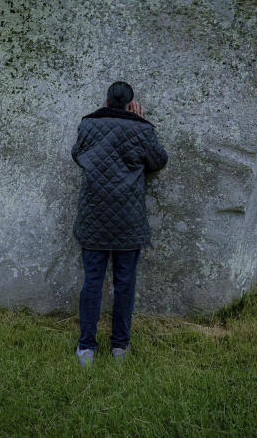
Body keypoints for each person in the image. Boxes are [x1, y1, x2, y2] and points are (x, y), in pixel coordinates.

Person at [71, 81, 168, 367]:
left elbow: (77, 155)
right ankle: (119, 347)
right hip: (128, 219)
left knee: (92, 282)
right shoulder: (141, 128)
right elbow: (159, 160)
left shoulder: (88, 125)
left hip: (93, 216)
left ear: (105, 100)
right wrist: (140, 121)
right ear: (130, 104)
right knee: (125, 283)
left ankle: (87, 347)